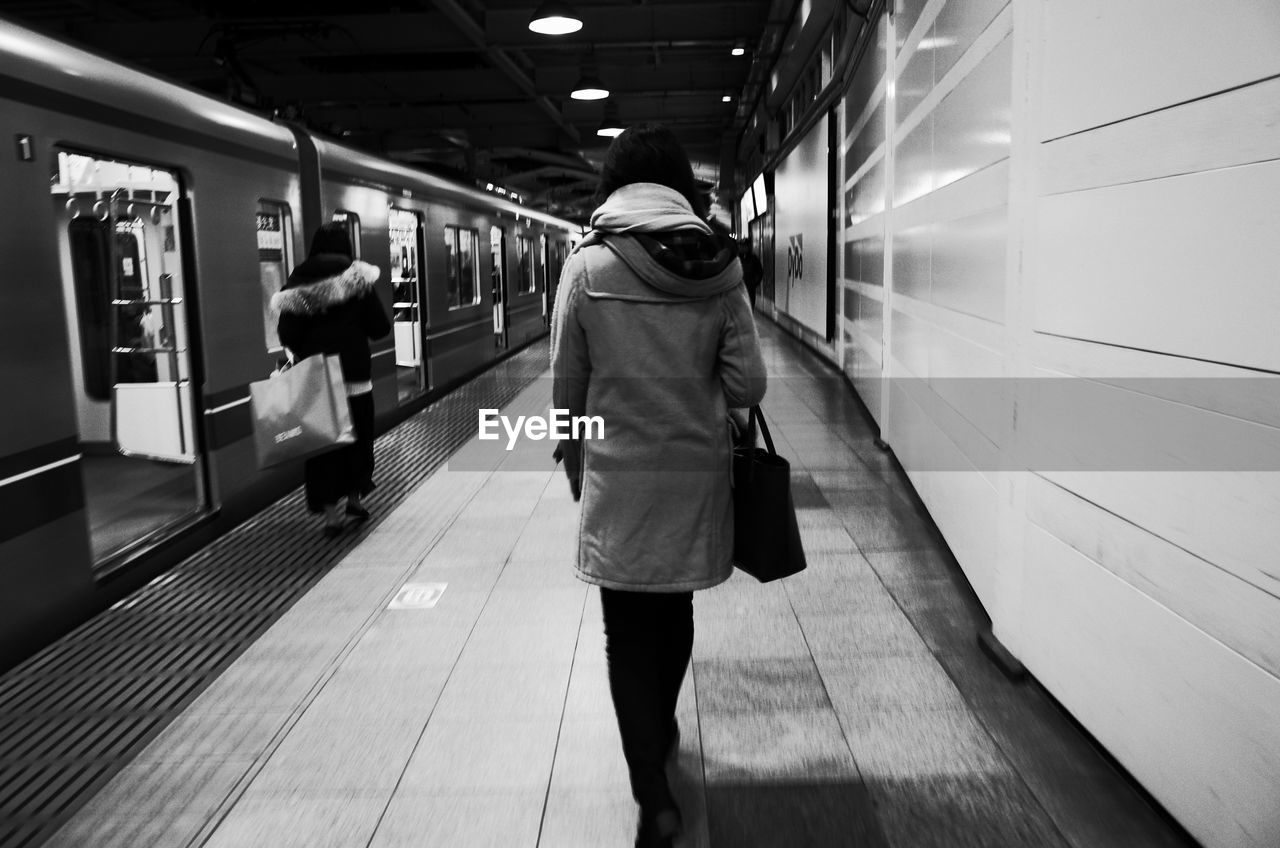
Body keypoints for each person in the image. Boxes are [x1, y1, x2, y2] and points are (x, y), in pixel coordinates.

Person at [551, 123, 766, 848]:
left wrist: (572, 452)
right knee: (673, 620)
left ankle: (654, 797)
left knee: (624, 637)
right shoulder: (719, 268)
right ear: (682, 189)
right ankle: (662, 726)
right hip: (694, 479)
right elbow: (749, 383)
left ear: (612, 187)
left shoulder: (587, 268)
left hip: (620, 484)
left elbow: (566, 390)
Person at [273, 222, 391, 537]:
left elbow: (287, 334)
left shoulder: (296, 284)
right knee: (358, 439)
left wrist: (312, 349)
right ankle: (354, 500)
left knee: (323, 446)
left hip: (317, 380)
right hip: (355, 378)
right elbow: (380, 328)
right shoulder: (359, 279)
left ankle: (330, 517)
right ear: (346, 247)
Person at [740, 237, 763, 306]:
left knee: (749, 307)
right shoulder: (737, 258)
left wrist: (754, 284)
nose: (742, 248)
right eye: (741, 246)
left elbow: (760, 272)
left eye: (745, 246)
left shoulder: (753, 258)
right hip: (739, 289)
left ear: (748, 247)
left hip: (750, 289)